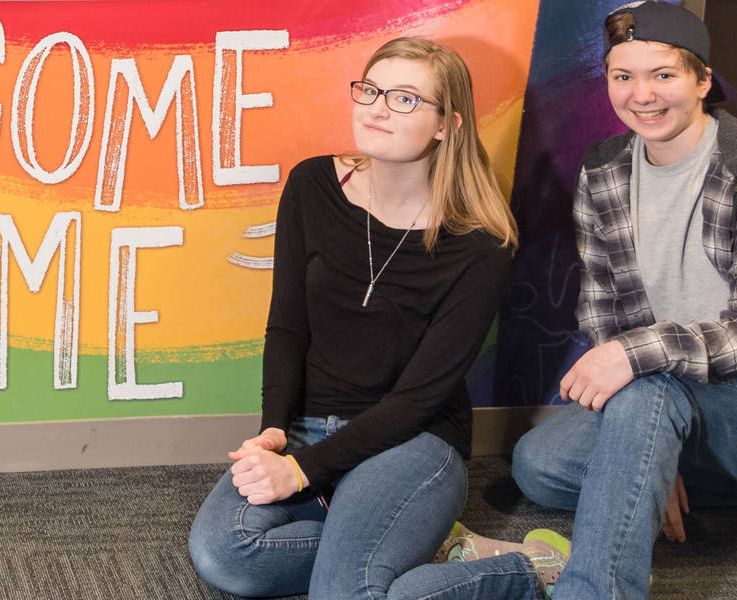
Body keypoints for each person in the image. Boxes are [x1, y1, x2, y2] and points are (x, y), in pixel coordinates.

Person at [509, 3, 737, 598]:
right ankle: (660, 459)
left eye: (663, 75)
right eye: (622, 76)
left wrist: (635, 359)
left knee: (648, 381)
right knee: (538, 463)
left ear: (703, 80)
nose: (641, 95)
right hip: (677, 396)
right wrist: (645, 415)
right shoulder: (604, 170)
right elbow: (605, 309)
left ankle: (596, 590)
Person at [186, 37, 560, 599]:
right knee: (227, 557)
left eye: (406, 98)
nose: (377, 107)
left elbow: (417, 400)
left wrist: (304, 473)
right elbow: (287, 326)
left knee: (345, 592)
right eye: (371, 90)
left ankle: (537, 572)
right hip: (310, 425)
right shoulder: (312, 185)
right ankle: (419, 546)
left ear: (446, 125)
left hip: (412, 440)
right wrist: (274, 430)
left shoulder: (481, 243)